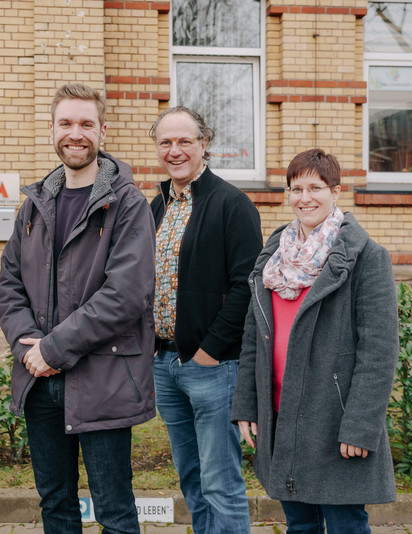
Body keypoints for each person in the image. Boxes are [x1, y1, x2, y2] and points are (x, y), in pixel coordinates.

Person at [0, 83, 156, 534]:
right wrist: (30, 346)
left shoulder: (126, 203)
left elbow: (127, 293)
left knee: (115, 513)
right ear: (51, 129)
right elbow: (9, 285)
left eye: (86, 124)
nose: (76, 133)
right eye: (66, 123)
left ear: (102, 131)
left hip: (102, 378)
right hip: (39, 381)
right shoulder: (33, 205)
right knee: (56, 506)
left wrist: (53, 349)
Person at [232, 148, 398, 533]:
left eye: (315, 187)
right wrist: (246, 404)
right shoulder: (272, 259)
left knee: (345, 525)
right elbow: (253, 339)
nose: (304, 197)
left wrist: (360, 427)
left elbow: (379, 351)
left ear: (335, 191)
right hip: (281, 416)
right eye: (295, 188)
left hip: (334, 422)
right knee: (300, 525)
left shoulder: (366, 257)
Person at [148, 106, 262, 534]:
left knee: (221, 482)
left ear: (204, 144)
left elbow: (247, 287)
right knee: (192, 479)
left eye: (184, 141)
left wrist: (209, 353)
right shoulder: (156, 206)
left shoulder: (232, 204)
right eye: (165, 142)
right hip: (165, 365)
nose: (174, 151)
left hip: (212, 367)